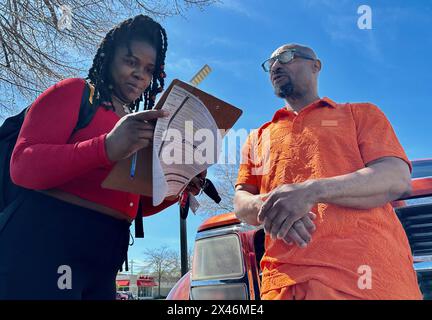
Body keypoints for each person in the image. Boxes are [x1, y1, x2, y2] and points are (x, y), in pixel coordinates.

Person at [0, 15, 203, 300]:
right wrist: (106, 147)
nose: (140, 75)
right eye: (130, 62)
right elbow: (22, 165)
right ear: (108, 58)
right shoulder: (75, 92)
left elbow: (131, 202)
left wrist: (179, 185)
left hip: (109, 252)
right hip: (47, 240)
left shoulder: (136, 124)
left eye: (149, 69)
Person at [234, 43, 422, 300]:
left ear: (316, 66)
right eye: (270, 63)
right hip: (281, 284)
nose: (275, 65)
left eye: (285, 57)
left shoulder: (360, 114)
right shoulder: (257, 137)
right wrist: (275, 205)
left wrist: (311, 191)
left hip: (368, 282)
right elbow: (241, 200)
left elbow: (395, 178)